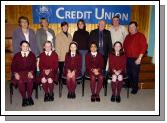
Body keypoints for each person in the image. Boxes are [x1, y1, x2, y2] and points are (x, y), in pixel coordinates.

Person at [123, 21, 148, 94]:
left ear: (137, 27)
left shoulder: (141, 35)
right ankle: (130, 85)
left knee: (135, 74)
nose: (131, 28)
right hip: (127, 58)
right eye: (130, 27)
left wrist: (139, 58)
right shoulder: (127, 36)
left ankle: (135, 88)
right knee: (128, 73)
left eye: (133, 27)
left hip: (136, 59)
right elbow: (124, 46)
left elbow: (144, 47)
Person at [11, 41, 36, 107]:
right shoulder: (16, 55)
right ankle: (24, 98)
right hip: (19, 73)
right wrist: (15, 73)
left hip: (29, 72)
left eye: (27, 46)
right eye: (23, 46)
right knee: (20, 81)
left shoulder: (32, 55)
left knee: (30, 80)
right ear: (20, 47)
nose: (25, 47)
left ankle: (29, 97)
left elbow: (34, 66)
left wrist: (31, 72)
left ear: (28, 47)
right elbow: (13, 66)